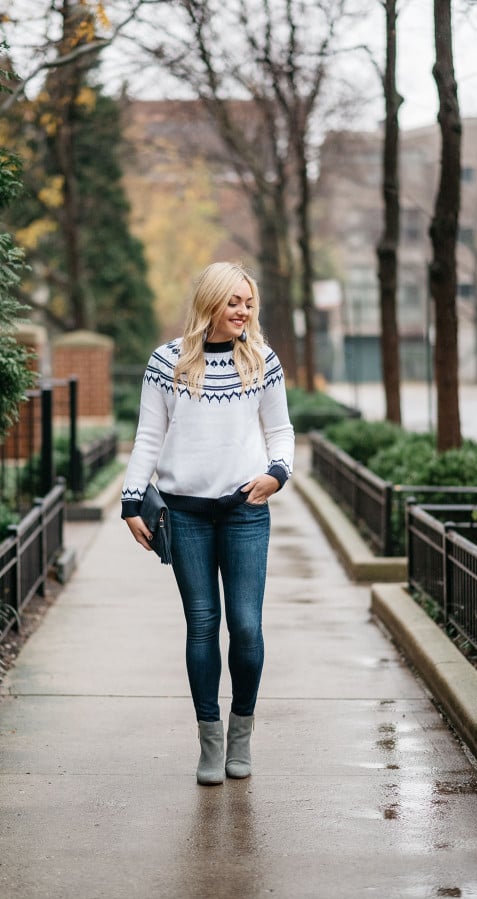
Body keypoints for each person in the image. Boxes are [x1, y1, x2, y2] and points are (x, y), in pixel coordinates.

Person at [122, 261, 294, 785]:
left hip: (245, 509)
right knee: (202, 625)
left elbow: (281, 430)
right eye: (234, 301)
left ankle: (241, 736)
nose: (243, 311)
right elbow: (148, 438)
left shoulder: (261, 360)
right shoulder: (166, 362)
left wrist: (277, 474)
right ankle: (209, 742)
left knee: (244, 627)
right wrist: (131, 502)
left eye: (249, 302)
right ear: (210, 304)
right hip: (186, 514)